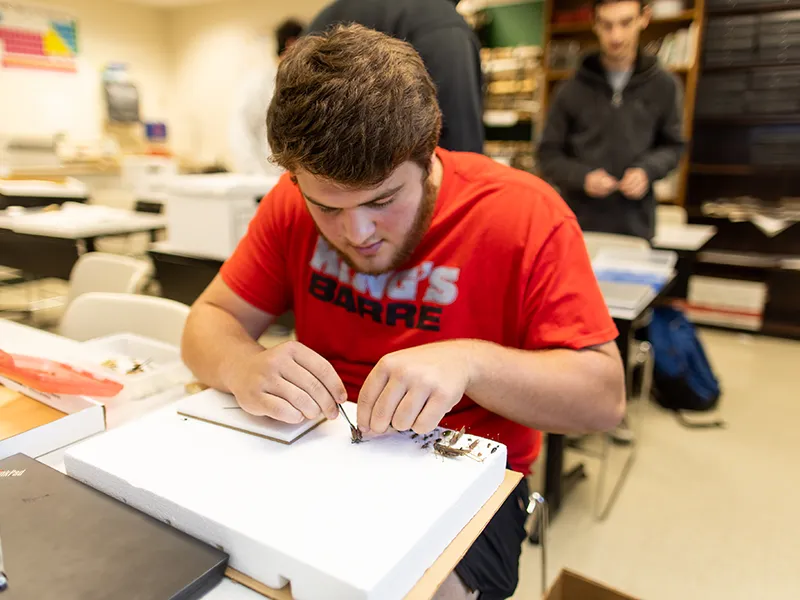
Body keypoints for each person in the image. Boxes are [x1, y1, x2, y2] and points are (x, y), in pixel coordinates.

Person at [182, 25, 625, 600]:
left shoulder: (525, 215)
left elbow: (605, 398)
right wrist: (244, 366)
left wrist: (472, 365)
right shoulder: (288, 204)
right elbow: (207, 322)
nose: (356, 232)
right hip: (313, 452)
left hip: (466, 475)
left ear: (428, 154)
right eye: (328, 207)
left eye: (383, 200)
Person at [537, 0, 685, 240]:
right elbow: (548, 155)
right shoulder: (569, 90)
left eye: (626, 23)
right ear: (594, 24)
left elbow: (674, 147)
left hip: (636, 226)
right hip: (578, 225)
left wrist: (646, 171)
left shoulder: (665, 86)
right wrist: (582, 178)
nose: (616, 36)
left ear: (644, 18)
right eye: (607, 25)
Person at [305, 0, 484, 154]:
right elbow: (460, 139)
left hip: (319, 186)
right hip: (410, 189)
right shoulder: (439, 23)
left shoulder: (328, 16)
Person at [228, 18, 304, 175]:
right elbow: (240, 132)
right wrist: (256, 176)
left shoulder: (305, 83)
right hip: (265, 180)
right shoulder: (257, 84)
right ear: (291, 44)